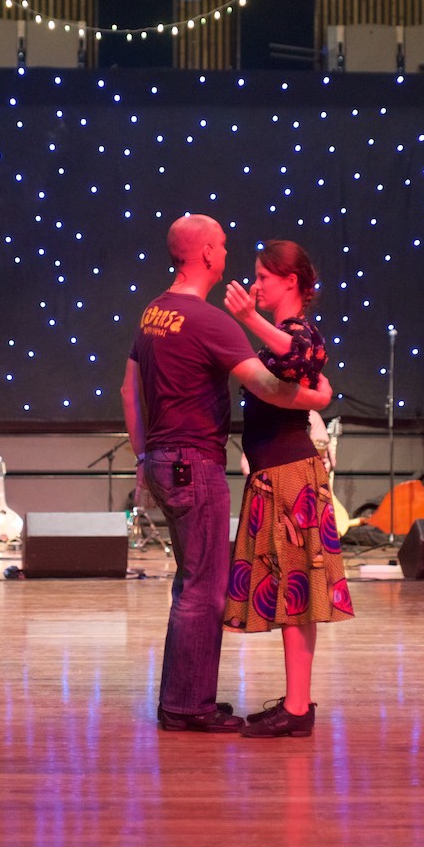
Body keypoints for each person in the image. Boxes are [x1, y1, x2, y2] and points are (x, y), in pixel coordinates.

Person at [121, 214, 330, 734]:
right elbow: (265, 386)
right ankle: (187, 706)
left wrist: (144, 458)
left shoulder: (153, 313)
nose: (229, 255)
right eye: (223, 245)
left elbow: (129, 390)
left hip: (170, 461)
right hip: (196, 463)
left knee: (202, 583)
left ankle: (194, 701)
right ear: (208, 254)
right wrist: (319, 398)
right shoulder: (208, 320)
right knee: (204, 589)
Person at [222, 241, 353, 739]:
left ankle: (298, 708)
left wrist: (249, 319)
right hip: (276, 474)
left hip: (290, 474)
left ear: (290, 281)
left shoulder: (298, 333)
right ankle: (296, 703)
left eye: (263, 276)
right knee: (288, 592)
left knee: (296, 592)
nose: (255, 284)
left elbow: (303, 354)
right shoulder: (285, 338)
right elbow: (305, 374)